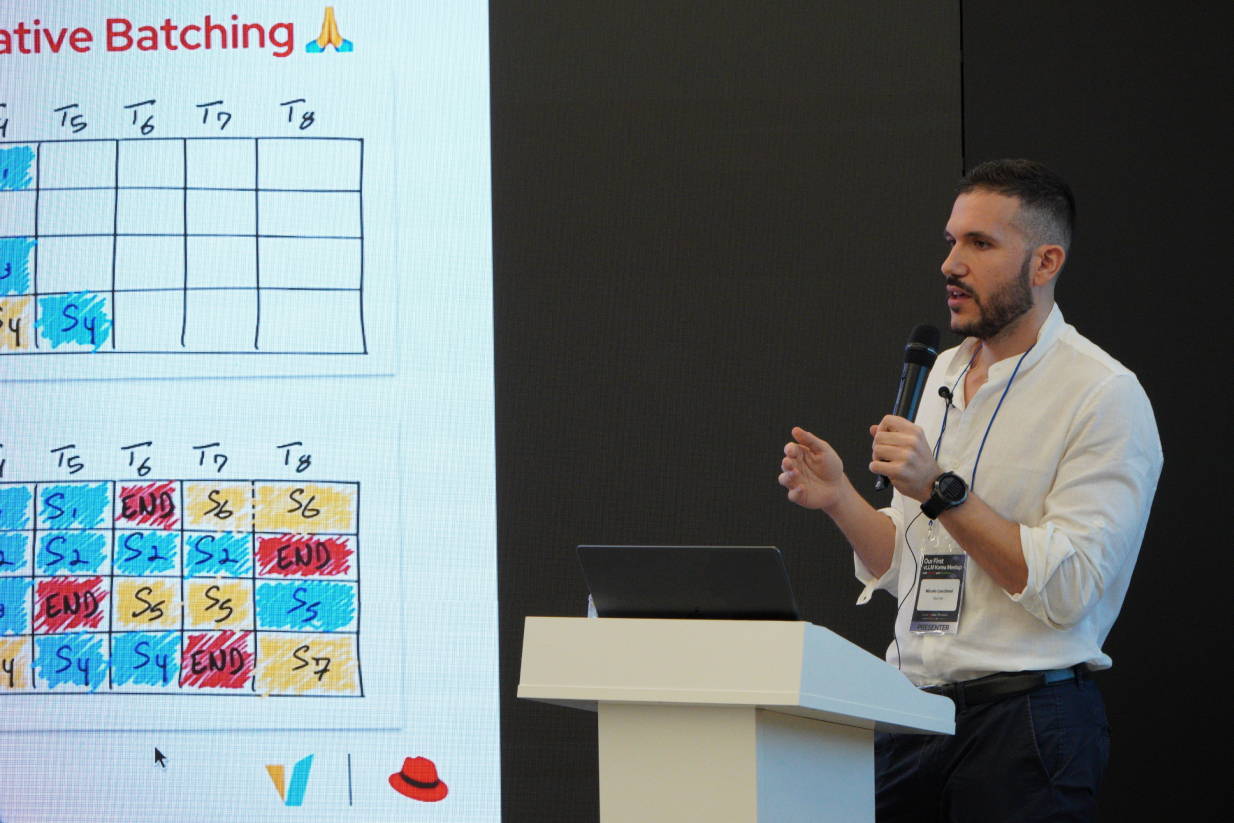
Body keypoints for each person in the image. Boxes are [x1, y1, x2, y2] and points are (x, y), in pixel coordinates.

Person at [778, 159, 1162, 822]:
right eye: (951, 241)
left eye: (980, 244)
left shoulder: (1103, 395)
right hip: (911, 715)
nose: (951, 264)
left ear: (1045, 263)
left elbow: (1071, 589)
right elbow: (907, 562)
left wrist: (940, 489)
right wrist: (840, 497)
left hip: (1026, 723)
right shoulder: (939, 374)